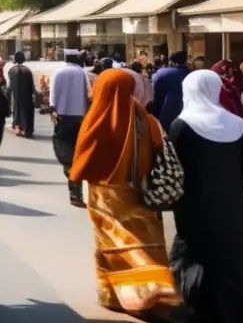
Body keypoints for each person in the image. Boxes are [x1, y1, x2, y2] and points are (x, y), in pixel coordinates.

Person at [70, 70, 182, 316]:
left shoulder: (96, 117)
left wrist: (76, 181)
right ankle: (150, 289)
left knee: (110, 244)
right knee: (143, 240)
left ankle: (118, 293)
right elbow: (157, 148)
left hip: (104, 194)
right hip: (140, 191)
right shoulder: (145, 117)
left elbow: (82, 156)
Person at [169, 70, 243, 321]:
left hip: (194, 205)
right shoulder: (238, 124)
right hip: (234, 205)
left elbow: (172, 168)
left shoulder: (182, 125)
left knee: (194, 254)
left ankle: (197, 308)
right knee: (234, 257)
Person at [50, 59, 89, 208]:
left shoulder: (58, 72)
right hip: (79, 117)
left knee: (65, 151)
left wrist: (52, 109)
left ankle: (70, 176)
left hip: (61, 116)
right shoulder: (81, 72)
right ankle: (76, 190)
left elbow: (53, 94)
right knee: (78, 152)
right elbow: (87, 93)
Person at [150, 51, 191, 131]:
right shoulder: (192, 74)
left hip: (167, 117)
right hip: (189, 118)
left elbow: (155, 96)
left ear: (171, 62)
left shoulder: (161, 74)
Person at [7, 51, 36, 138]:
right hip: (27, 96)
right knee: (26, 111)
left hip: (16, 96)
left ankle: (17, 127)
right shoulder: (27, 71)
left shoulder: (11, 70)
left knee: (16, 110)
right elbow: (31, 85)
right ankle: (26, 129)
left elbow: (10, 85)